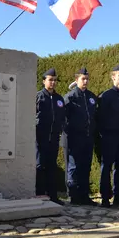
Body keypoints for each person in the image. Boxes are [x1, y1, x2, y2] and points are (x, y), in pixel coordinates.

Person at [97, 64, 119, 207]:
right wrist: (104, 133)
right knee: (106, 167)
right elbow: (99, 117)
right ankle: (105, 198)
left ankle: (118, 196)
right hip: (108, 137)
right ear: (113, 77)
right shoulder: (106, 96)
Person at [63, 67, 98, 205]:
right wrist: (70, 132)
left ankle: (85, 195)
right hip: (74, 138)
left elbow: (94, 115)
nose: (85, 81)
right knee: (73, 167)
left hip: (87, 138)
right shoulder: (70, 97)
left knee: (85, 166)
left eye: (87, 79)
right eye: (83, 79)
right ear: (76, 80)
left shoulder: (91, 97)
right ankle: (74, 196)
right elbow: (63, 119)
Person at [35, 68, 66, 205]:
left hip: (54, 137)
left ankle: (53, 196)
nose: (53, 82)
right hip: (40, 137)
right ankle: (40, 196)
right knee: (40, 166)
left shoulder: (59, 99)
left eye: (54, 80)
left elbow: (62, 117)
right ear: (44, 81)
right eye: (50, 80)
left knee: (52, 166)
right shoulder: (39, 96)